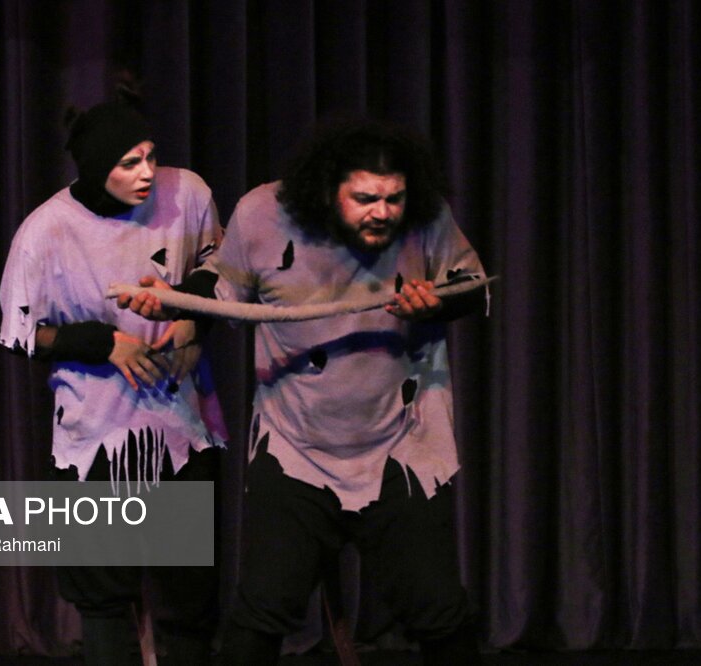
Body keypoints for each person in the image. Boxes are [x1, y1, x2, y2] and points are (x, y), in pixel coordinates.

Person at [120, 119, 486, 665]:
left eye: (393, 198)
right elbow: (222, 284)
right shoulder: (263, 214)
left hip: (400, 446)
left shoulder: (426, 216)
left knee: (439, 610)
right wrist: (175, 300)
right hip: (295, 450)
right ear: (326, 190)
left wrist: (438, 301)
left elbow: (471, 284)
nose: (383, 212)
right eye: (365, 199)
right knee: (262, 610)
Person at [0, 94, 227, 666]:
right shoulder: (46, 231)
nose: (146, 172)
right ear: (98, 168)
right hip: (95, 434)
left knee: (188, 596)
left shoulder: (187, 194)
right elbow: (19, 333)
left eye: (150, 155)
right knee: (102, 596)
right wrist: (104, 343)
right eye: (128, 163)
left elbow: (222, 268)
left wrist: (191, 319)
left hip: (178, 428)